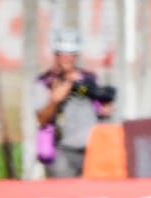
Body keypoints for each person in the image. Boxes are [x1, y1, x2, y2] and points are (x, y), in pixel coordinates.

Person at [30, 28, 114, 179]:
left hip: (93, 150)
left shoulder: (87, 79)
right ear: (56, 54)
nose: (68, 59)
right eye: (64, 54)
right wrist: (54, 100)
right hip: (62, 152)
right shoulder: (45, 83)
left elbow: (97, 102)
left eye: (72, 54)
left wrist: (103, 107)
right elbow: (42, 119)